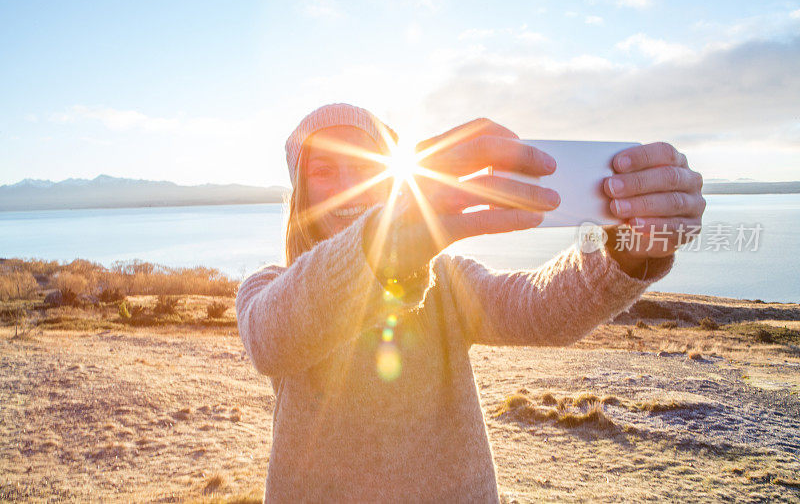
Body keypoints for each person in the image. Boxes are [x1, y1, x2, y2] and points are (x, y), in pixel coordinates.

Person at [235, 103, 705, 502]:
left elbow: (537, 309)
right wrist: (384, 247)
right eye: (324, 171)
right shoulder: (269, 287)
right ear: (301, 193)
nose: (347, 188)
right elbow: (271, 338)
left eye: (364, 167)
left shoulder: (445, 281)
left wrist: (625, 251)